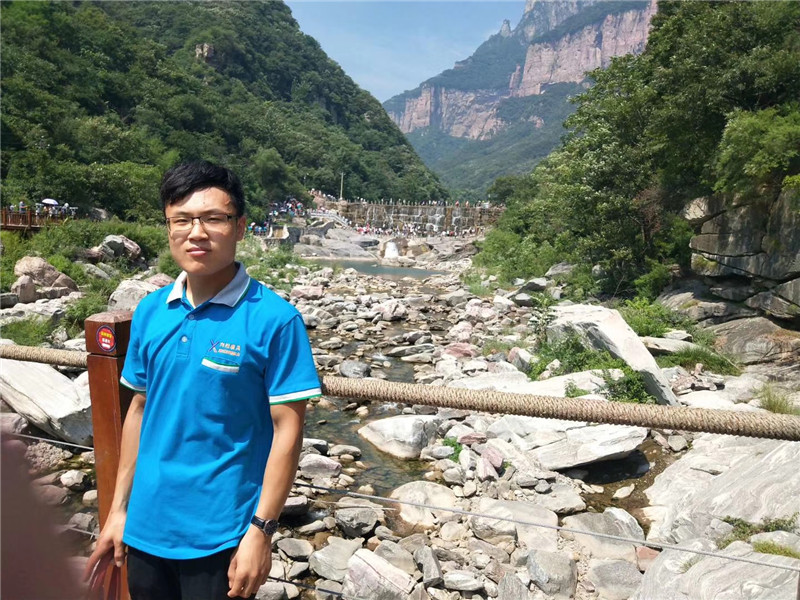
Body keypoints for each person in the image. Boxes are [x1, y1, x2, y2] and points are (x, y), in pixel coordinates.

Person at [84, 161, 321, 600]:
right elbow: (139, 410)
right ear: (168, 227)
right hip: (145, 529)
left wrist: (261, 532)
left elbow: (288, 429)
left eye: (214, 218)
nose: (197, 233)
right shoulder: (151, 311)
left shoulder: (275, 320)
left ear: (240, 227)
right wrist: (118, 512)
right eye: (182, 220)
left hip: (222, 536)